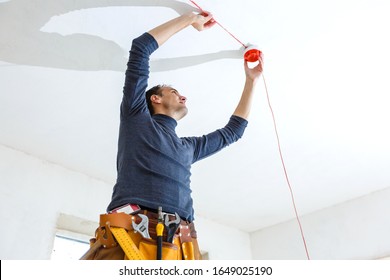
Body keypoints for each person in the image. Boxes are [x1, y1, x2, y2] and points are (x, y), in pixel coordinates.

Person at [82, 11, 263, 260]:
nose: (183, 96)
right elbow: (140, 48)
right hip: (129, 237)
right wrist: (190, 19)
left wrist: (251, 81)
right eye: (174, 91)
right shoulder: (137, 117)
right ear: (154, 99)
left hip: (182, 245)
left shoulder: (188, 147)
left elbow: (233, 131)